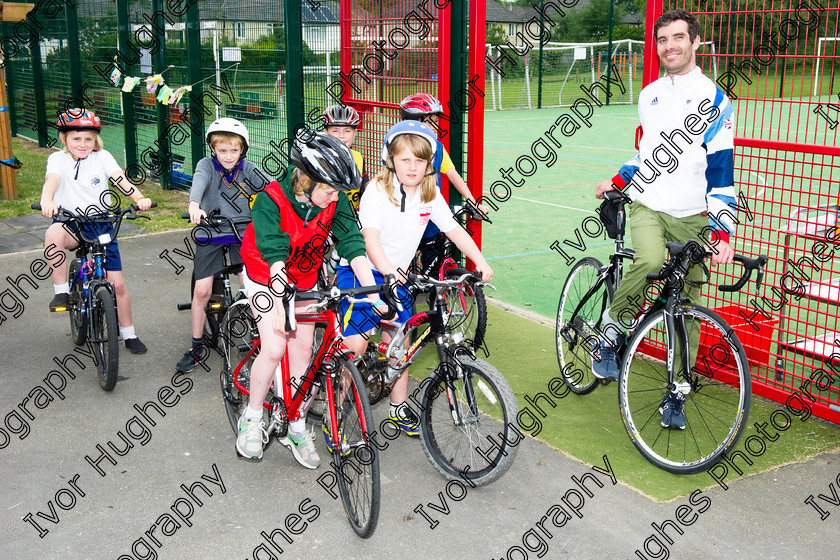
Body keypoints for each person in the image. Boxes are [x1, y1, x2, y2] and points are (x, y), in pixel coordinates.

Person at [593, 9, 736, 429]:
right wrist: (617, 179)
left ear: (695, 42)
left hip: (692, 217)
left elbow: (721, 169)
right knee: (651, 261)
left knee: (686, 312)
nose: (669, 46)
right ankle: (612, 333)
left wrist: (723, 230)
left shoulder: (715, 100)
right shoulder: (649, 94)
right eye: (662, 39)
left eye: (678, 38)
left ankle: (676, 395)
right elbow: (649, 154)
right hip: (649, 204)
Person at [336, 120, 494, 437]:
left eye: (419, 161)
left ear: (428, 164)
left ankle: (397, 407)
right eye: (405, 159)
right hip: (361, 274)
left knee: (400, 343)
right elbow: (370, 241)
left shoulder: (429, 194)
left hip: (398, 277)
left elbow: (453, 229)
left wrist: (479, 260)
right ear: (391, 159)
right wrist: (391, 273)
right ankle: (336, 411)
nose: (412, 167)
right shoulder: (377, 192)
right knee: (354, 346)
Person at [236, 132, 384, 466]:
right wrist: (277, 297)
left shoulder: (335, 200)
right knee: (274, 347)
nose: (334, 198)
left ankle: (296, 425)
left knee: (303, 352)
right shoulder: (270, 198)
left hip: (303, 277)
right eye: (329, 190)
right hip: (265, 273)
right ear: (305, 179)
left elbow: (351, 243)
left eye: (338, 192)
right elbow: (273, 250)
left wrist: (371, 290)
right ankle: (253, 416)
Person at [40, 108, 152, 354]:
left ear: (95, 140)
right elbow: (53, 181)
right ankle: (61, 292)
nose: (83, 144)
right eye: (76, 138)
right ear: (63, 138)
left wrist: (138, 196)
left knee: (118, 285)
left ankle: (129, 333)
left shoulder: (102, 157)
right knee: (52, 236)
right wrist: (47, 200)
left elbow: (119, 179)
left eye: (88, 139)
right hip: (70, 222)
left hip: (100, 222)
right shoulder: (57, 160)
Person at [176, 118, 268, 373]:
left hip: (242, 231)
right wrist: (194, 206)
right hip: (212, 230)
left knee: (252, 286)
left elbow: (271, 189)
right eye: (222, 150)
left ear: (243, 150)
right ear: (213, 149)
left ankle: (262, 338)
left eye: (234, 150)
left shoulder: (248, 168)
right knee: (202, 291)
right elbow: (199, 185)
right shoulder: (205, 165)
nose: (228, 156)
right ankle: (195, 346)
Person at [322, 104, 369, 210]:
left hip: (348, 219)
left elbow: (364, 192)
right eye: (335, 130)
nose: (341, 135)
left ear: (355, 133)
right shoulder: (317, 159)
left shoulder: (357, 157)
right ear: (325, 133)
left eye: (347, 131)